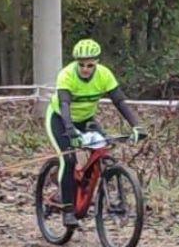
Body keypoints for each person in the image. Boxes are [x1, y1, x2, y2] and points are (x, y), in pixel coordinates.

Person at [46, 38, 144, 227]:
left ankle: (83, 186)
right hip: (60, 119)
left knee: (102, 149)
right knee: (68, 160)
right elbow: (65, 105)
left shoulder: (104, 75)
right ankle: (67, 209)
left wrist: (136, 126)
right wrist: (70, 132)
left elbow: (120, 102)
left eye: (90, 65)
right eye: (81, 65)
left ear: (97, 63)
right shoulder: (66, 75)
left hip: (86, 120)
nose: (85, 69)